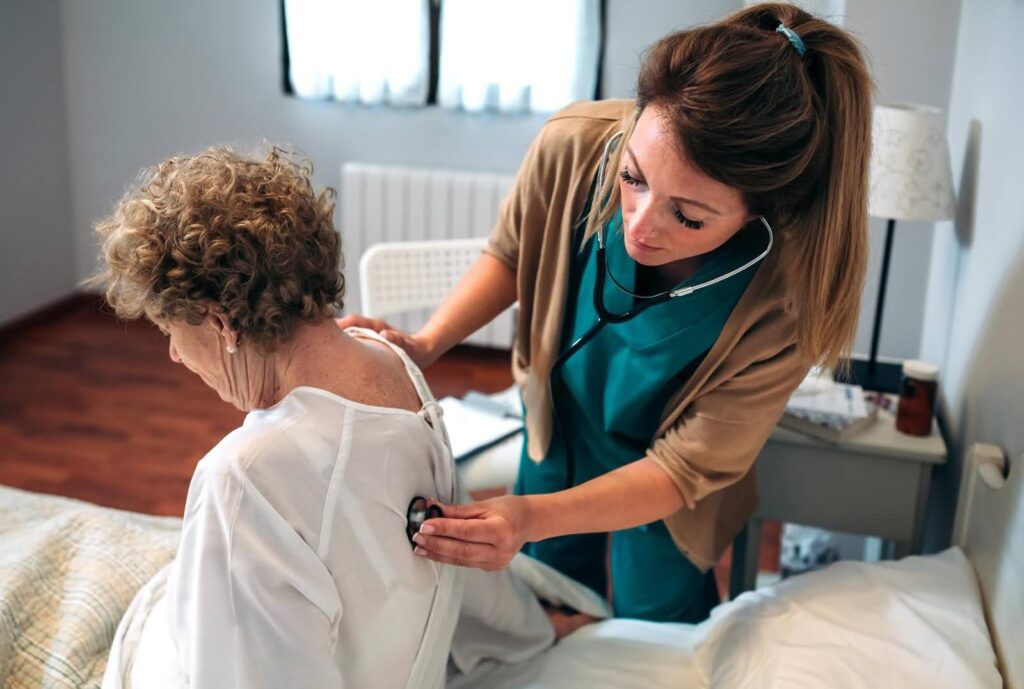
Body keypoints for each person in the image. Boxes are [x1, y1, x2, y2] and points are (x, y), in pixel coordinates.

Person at [338, 2, 873, 625]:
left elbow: (682, 469)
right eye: (633, 178)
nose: (641, 224)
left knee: (658, 618)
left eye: (690, 216)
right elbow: (515, 252)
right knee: (545, 595)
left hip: (670, 485)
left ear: (762, 212)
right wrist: (429, 342)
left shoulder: (792, 297)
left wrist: (530, 514)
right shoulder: (574, 145)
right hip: (562, 424)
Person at [91, 147, 477, 689]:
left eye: (169, 330)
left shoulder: (245, 478)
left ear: (221, 324)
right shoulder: (392, 360)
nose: (174, 355)